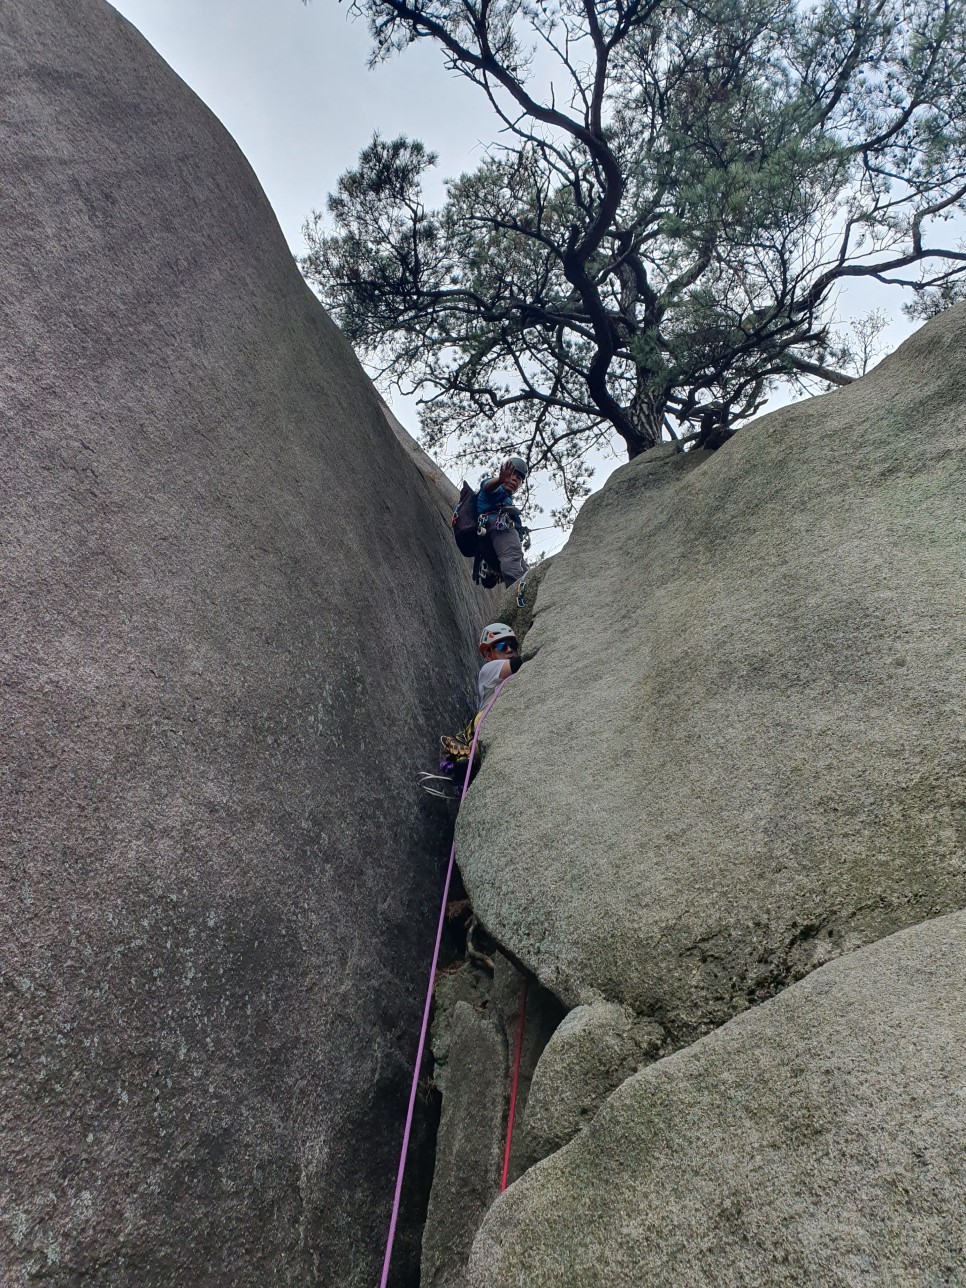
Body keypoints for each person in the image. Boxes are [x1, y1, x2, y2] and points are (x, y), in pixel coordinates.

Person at [477, 456, 529, 587]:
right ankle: (518, 596)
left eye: (519, 478)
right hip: (497, 528)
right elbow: (488, 487)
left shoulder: (507, 501)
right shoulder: (496, 488)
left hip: (497, 536)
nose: (515, 479)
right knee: (513, 557)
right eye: (513, 474)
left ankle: (526, 594)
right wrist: (500, 480)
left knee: (524, 569)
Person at [477, 622, 522, 708]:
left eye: (513, 645)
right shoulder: (487, 670)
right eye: (502, 646)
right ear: (488, 655)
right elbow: (517, 663)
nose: (509, 650)